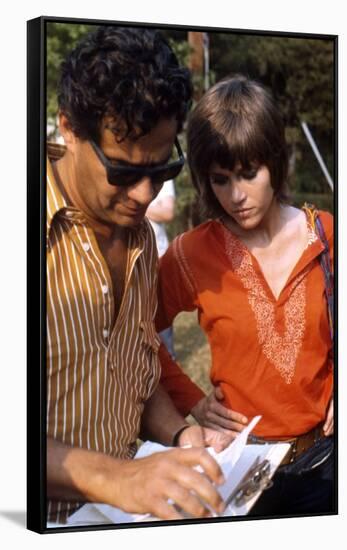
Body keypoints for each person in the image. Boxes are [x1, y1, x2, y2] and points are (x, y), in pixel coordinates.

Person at [46, 26, 233, 526]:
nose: (146, 194)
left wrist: (180, 435)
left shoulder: (141, 240)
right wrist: (118, 479)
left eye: (163, 171)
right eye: (125, 171)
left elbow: (136, 369)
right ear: (68, 128)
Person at [156, 75, 334, 516]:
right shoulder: (190, 253)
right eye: (220, 179)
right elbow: (132, 333)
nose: (236, 195)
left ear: (275, 161)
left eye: (249, 173)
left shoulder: (329, 235)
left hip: (328, 465)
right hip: (240, 471)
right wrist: (190, 399)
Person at [146, 179, 177, 358]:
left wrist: (133, 202)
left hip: (157, 257)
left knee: (162, 326)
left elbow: (167, 212)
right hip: (128, 259)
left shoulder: (164, 176)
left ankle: (169, 361)